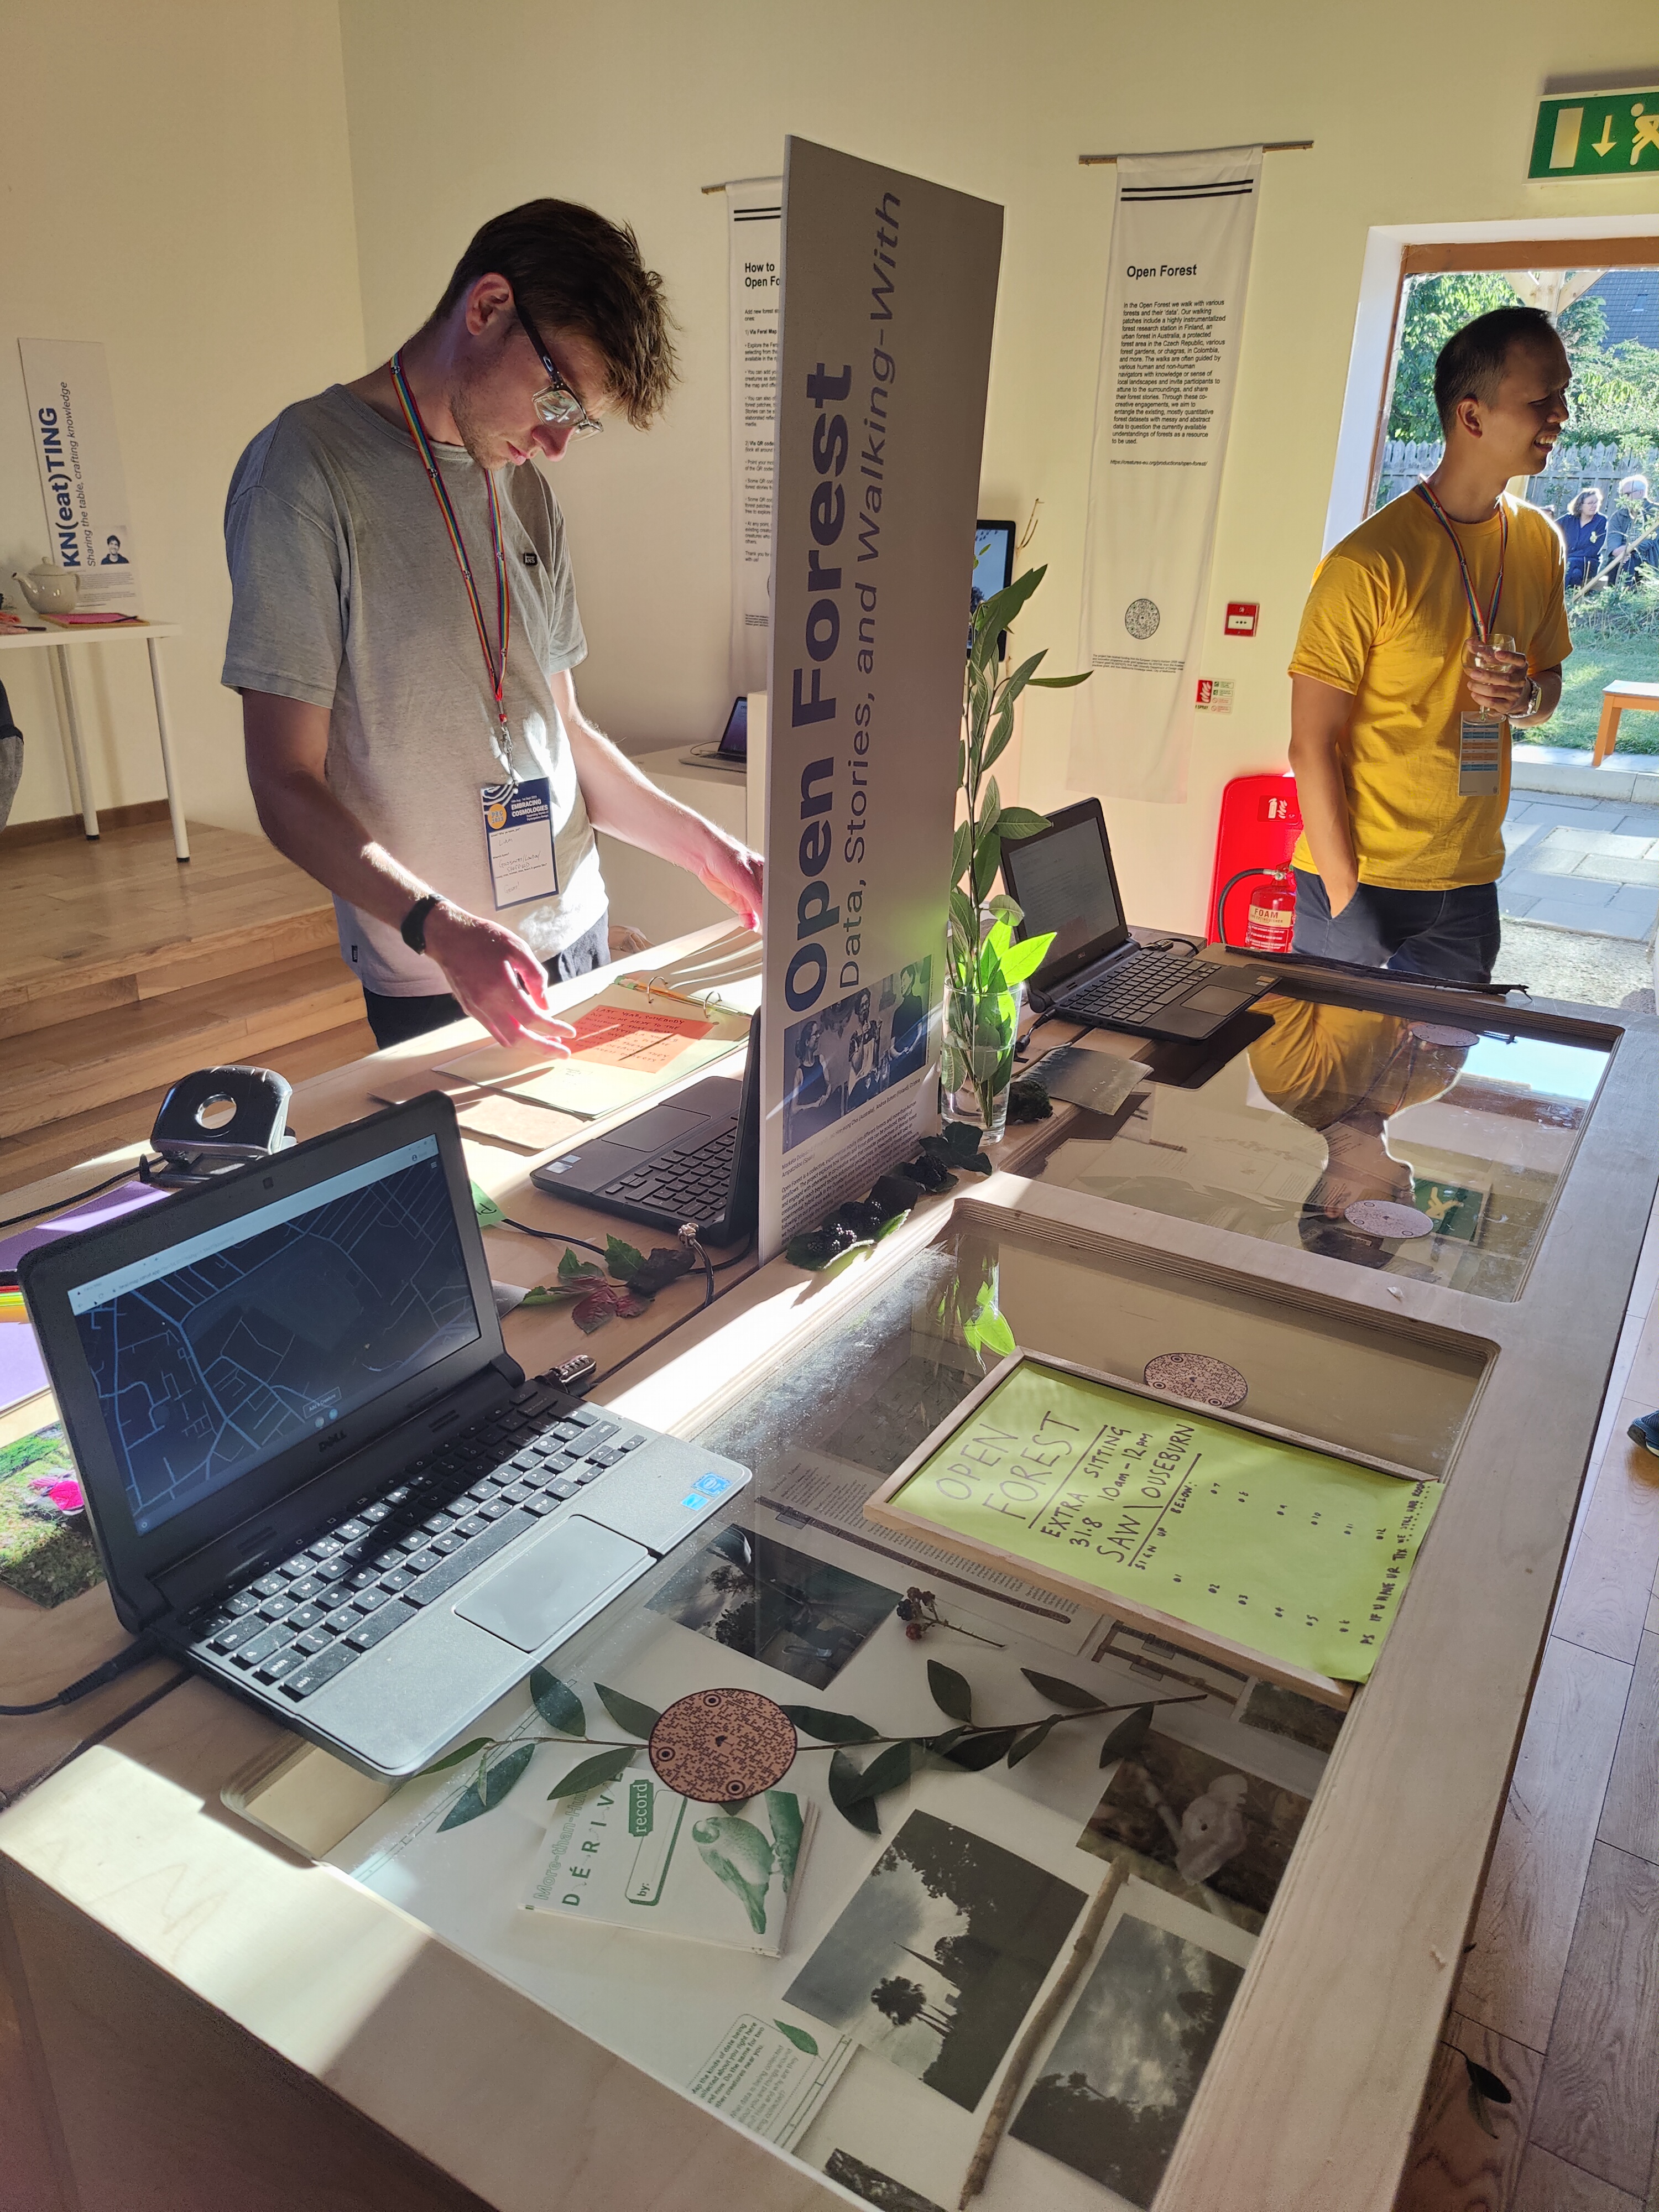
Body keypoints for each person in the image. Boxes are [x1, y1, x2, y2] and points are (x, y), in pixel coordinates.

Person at [222, 199, 763, 1052]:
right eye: (558, 397)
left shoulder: (524, 490)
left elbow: (563, 732)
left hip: (579, 930)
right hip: (442, 971)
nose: (557, 442)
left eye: (579, 418)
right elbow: (283, 782)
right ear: (487, 307)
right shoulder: (306, 472)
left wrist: (710, 852)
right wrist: (437, 927)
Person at [1287, 305, 1571, 985]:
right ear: (1472, 416)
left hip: (1469, 883)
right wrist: (1346, 895)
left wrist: (1524, 699)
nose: (1561, 414)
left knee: (1447, 1056)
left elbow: (1549, 690)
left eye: (1564, 394)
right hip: (1360, 880)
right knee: (1338, 1057)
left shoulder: (1540, 542)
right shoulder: (1368, 563)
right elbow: (1309, 744)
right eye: (1542, 398)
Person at [1603, 474, 1656, 589]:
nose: (1623, 498)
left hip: (1649, 557)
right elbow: (1614, 537)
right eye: (1621, 495)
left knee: (1629, 561)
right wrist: (1617, 551)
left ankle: (1623, 595)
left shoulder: (1655, 513)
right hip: (1623, 556)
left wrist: (1630, 548)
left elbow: (1651, 540)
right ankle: (1614, 595)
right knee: (1622, 562)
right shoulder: (1618, 516)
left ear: (1641, 493)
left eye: (1627, 494)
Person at [1558, 487, 1606, 589]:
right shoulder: (1569, 519)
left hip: (1588, 562)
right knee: (1576, 574)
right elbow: (1550, 529)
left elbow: (1594, 549)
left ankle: (1559, 595)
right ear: (1580, 505)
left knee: (1571, 563)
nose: (1594, 506)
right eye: (1590, 503)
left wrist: (1568, 556)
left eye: (1596, 502)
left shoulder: (1601, 521)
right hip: (1569, 562)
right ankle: (1569, 596)